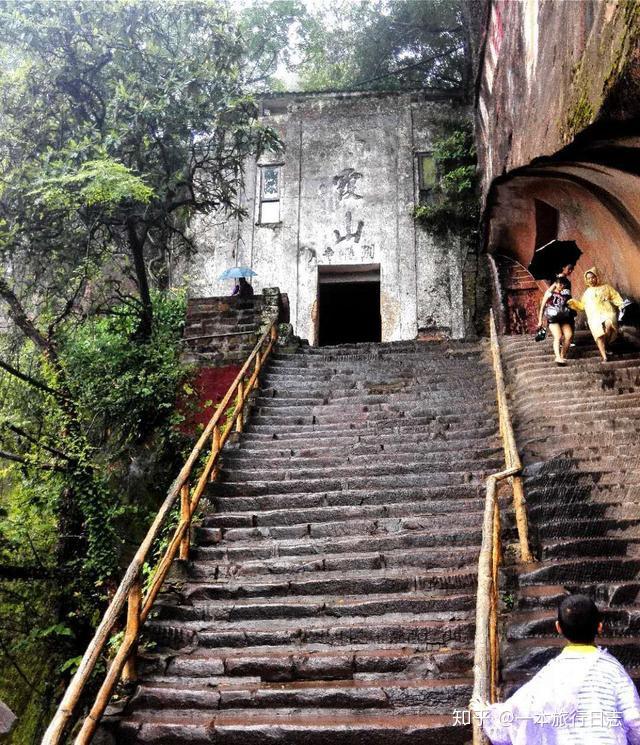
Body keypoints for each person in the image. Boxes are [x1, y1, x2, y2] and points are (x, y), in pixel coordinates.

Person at [472, 594, 640, 744]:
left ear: (558, 627)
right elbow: (634, 722)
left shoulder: (550, 675)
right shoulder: (614, 671)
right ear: (600, 627)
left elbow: (517, 714)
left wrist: (486, 714)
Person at [567, 267, 624, 362]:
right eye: (588, 278)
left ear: (597, 277)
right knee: (599, 335)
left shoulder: (606, 287)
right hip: (594, 316)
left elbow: (615, 296)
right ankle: (604, 356)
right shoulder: (587, 293)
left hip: (607, 312)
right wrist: (573, 303)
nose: (591, 280)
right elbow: (582, 306)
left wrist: (620, 304)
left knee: (609, 325)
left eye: (592, 277)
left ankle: (607, 345)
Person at [537, 275, 574, 365]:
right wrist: (540, 320)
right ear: (555, 284)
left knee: (569, 335)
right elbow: (542, 307)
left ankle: (562, 355)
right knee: (558, 336)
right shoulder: (550, 293)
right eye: (559, 283)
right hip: (553, 319)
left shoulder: (565, 294)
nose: (561, 285)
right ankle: (557, 356)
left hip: (564, 319)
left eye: (563, 284)